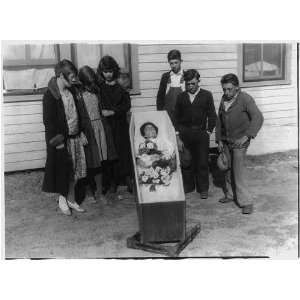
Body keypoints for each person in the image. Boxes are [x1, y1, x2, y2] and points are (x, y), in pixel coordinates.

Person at [42, 59, 87, 215]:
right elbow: (48, 123)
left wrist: (80, 132)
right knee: (63, 171)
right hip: (61, 141)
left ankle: (71, 198)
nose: (74, 79)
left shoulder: (72, 92)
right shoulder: (50, 95)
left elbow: (78, 114)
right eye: (72, 76)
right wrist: (58, 142)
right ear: (61, 75)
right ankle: (62, 200)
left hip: (74, 137)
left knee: (75, 170)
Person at [215, 73, 264, 214]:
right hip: (226, 140)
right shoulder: (224, 99)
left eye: (229, 89)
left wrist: (247, 136)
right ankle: (230, 195)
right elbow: (219, 121)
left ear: (237, 87)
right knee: (227, 168)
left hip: (239, 142)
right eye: (224, 89)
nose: (226, 92)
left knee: (238, 171)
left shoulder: (245, 99)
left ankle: (246, 202)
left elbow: (258, 117)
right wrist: (218, 139)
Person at [77, 65, 118, 203]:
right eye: (88, 84)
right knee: (89, 162)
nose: (91, 86)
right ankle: (89, 192)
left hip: (99, 128)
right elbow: (76, 116)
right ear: (82, 82)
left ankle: (100, 192)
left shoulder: (97, 92)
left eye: (92, 83)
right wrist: (80, 133)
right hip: (87, 131)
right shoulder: (78, 95)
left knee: (100, 162)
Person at [174, 69, 217, 199]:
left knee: (202, 161)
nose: (190, 87)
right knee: (186, 161)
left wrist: (208, 131)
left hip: (201, 133)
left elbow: (212, 115)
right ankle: (188, 185)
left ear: (198, 81)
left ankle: (203, 188)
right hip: (185, 133)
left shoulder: (206, 95)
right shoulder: (181, 97)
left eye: (193, 83)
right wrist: (178, 136)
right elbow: (175, 117)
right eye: (188, 84)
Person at [97, 55, 133, 199]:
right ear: (102, 72)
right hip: (106, 126)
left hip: (120, 124)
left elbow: (127, 105)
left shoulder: (121, 87)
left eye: (111, 71)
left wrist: (113, 111)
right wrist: (104, 112)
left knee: (123, 151)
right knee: (110, 154)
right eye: (105, 71)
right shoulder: (99, 89)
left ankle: (127, 179)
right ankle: (112, 182)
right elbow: (98, 106)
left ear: (115, 71)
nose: (108, 74)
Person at [156, 49, 185, 125]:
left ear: (181, 61)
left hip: (183, 112)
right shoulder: (165, 76)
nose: (174, 65)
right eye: (171, 63)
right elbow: (160, 96)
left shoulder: (187, 75)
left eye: (176, 62)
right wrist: (160, 113)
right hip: (168, 113)